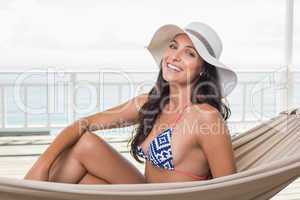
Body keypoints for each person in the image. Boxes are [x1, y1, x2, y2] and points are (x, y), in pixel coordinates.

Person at [24, 22, 238, 184]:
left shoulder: (205, 117)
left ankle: (27, 194)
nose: (175, 57)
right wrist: (42, 166)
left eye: (189, 53)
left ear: (202, 68)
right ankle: (32, 187)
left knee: (80, 162)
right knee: (85, 150)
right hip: (145, 193)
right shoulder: (152, 102)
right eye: (173, 47)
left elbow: (230, 190)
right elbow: (85, 124)